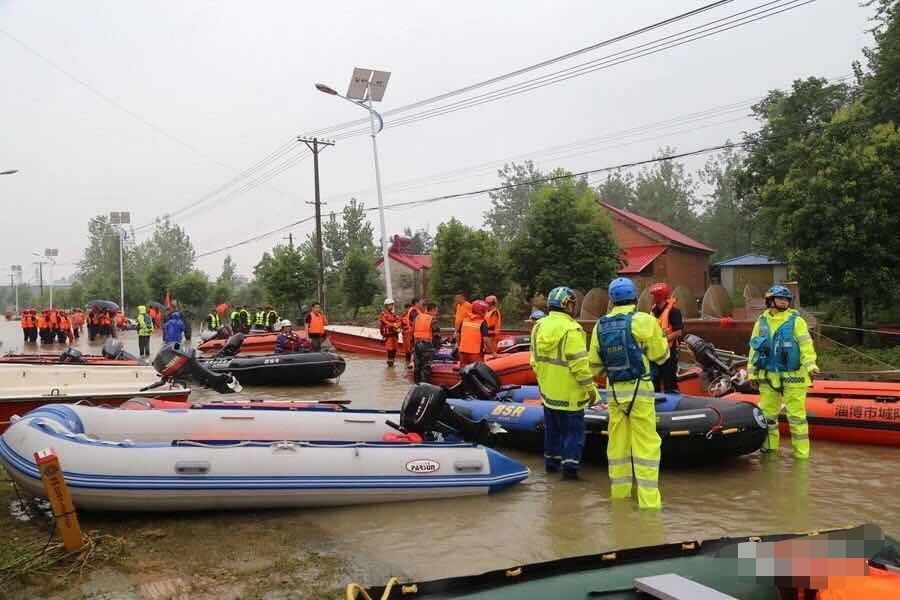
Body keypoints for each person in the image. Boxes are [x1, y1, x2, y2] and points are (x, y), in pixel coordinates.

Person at [589, 277, 669, 510]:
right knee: (646, 448)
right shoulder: (645, 321)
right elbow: (661, 356)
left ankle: (620, 499)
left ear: (612, 300)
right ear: (634, 297)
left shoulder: (600, 325)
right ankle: (649, 505)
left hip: (613, 393)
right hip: (641, 392)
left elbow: (594, 364)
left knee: (617, 448)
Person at [530, 286, 597, 480]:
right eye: (572, 303)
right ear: (566, 304)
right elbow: (579, 366)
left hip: (548, 393)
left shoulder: (538, 327)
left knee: (552, 432)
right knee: (573, 434)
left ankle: (551, 466)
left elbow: (533, 361)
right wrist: (591, 390)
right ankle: (570, 472)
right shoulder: (572, 330)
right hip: (570, 395)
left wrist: (546, 381)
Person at [748, 284, 819, 459]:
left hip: (794, 377)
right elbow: (753, 350)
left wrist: (811, 365)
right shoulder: (761, 322)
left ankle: (801, 457)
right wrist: (752, 373)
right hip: (768, 377)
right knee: (768, 417)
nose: (784, 301)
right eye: (780, 298)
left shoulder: (796, 321)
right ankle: (770, 453)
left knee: (796, 418)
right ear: (770, 300)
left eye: (787, 299)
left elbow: (806, 346)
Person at [648, 282, 683, 393]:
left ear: (660, 296)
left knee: (669, 382)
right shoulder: (653, 311)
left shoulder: (674, 312)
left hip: (669, 352)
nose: (652, 298)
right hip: (655, 353)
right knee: (655, 381)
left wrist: (662, 340)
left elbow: (678, 332)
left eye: (654, 295)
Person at [412, 303, 441, 383]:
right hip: (427, 345)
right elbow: (436, 335)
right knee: (426, 367)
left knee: (417, 366)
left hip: (417, 344)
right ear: (432, 310)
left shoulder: (418, 317)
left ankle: (416, 384)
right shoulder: (432, 319)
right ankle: (424, 385)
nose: (436, 313)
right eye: (436, 311)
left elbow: (412, 331)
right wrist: (438, 347)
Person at [458, 300, 490, 368]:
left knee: (463, 371)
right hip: (475, 353)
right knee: (478, 372)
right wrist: (493, 352)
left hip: (462, 351)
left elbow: (457, 335)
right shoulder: (482, 322)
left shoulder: (464, 320)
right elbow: (486, 339)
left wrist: (459, 346)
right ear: (482, 311)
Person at [379, 298, 402, 367]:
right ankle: (390, 365)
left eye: (392, 305)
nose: (391, 306)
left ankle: (392, 365)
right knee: (390, 350)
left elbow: (399, 320)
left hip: (394, 334)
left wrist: (397, 326)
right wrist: (393, 325)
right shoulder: (383, 314)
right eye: (390, 305)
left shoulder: (393, 314)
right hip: (388, 335)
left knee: (394, 350)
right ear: (386, 306)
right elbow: (384, 322)